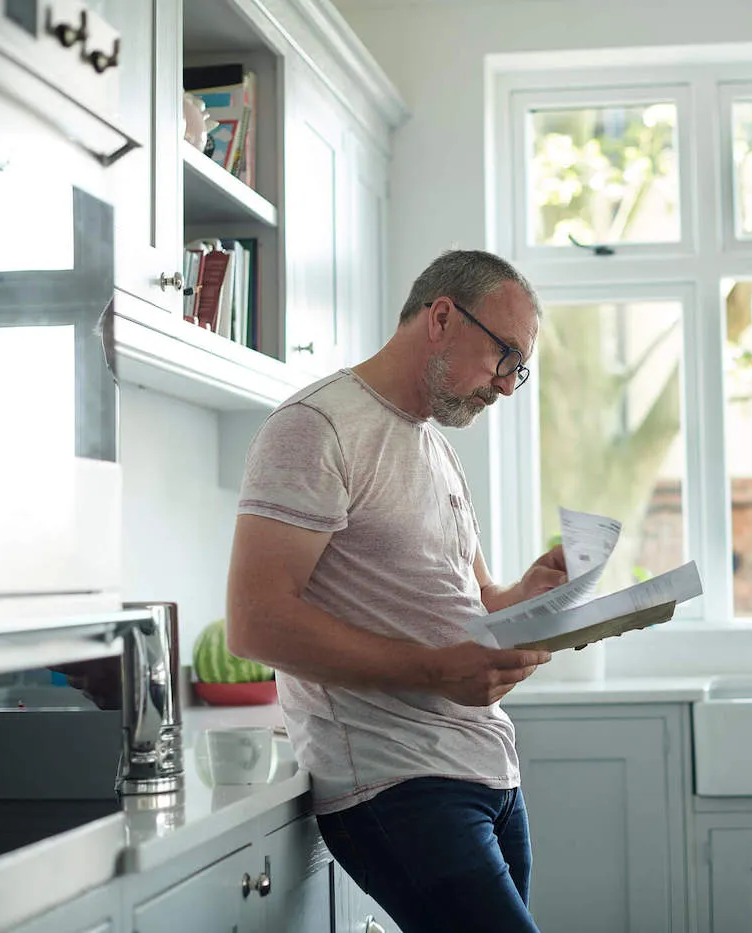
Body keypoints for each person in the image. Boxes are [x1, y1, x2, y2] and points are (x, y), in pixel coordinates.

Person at [225, 249, 563, 932]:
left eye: (517, 371)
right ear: (441, 317)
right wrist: (438, 669)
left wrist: (528, 593)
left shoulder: (433, 445)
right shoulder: (316, 428)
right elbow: (256, 623)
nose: (504, 386)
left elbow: (470, 603)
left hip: (486, 769)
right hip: (397, 783)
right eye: (504, 356)